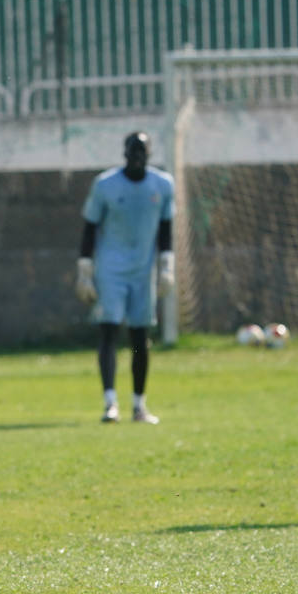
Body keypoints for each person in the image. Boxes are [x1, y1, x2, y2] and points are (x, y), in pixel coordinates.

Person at [74, 131, 175, 424]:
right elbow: (90, 227)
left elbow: (166, 228)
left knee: (140, 335)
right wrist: (85, 269)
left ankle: (139, 405)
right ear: (124, 154)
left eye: (142, 152)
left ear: (149, 154)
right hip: (111, 269)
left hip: (144, 269)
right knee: (109, 330)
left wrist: (167, 265)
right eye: (132, 152)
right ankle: (110, 403)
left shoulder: (163, 185)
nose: (137, 158)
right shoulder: (105, 184)